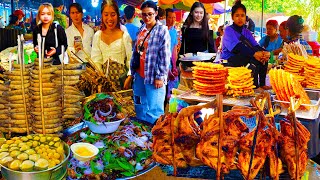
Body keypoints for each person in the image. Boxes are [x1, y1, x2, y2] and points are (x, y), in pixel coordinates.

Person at [127, 1, 171, 124]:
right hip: (140, 75)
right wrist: (132, 72)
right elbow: (136, 51)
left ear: (156, 13)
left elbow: (165, 56)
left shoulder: (162, 30)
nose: (147, 17)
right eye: (144, 15)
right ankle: (143, 135)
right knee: (140, 106)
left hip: (153, 76)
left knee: (154, 110)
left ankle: (155, 138)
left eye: (150, 14)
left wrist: (160, 77)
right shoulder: (142, 29)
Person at [221, 0, 270, 88]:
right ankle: (254, 87)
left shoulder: (246, 31)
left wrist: (264, 53)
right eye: (237, 15)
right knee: (253, 59)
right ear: (232, 17)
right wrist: (255, 54)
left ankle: (262, 84)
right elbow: (237, 47)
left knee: (263, 58)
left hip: (243, 56)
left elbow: (255, 46)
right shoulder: (228, 30)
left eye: (242, 15)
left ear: (245, 17)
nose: (240, 18)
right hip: (229, 60)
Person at [91, 0, 132, 89]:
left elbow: (130, 60)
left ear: (117, 15)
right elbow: (96, 60)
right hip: (104, 84)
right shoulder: (98, 35)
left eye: (113, 14)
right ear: (102, 15)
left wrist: (129, 77)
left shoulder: (124, 35)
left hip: (122, 83)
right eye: (106, 14)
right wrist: (100, 79)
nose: (109, 18)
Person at [165, 8, 179, 106]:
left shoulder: (174, 31)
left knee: (173, 92)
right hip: (162, 65)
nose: (172, 20)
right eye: (169, 17)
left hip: (170, 64)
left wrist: (174, 66)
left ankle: (171, 112)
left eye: (174, 17)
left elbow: (174, 49)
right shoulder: (161, 30)